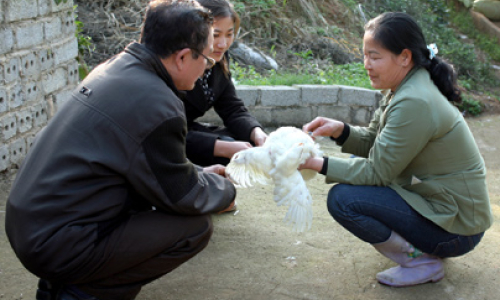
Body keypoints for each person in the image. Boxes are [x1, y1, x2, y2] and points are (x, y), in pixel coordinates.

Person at [5, 1, 236, 300]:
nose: (210, 65)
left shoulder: (116, 68)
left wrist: (201, 174)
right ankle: (79, 293)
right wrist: (226, 189)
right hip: (58, 241)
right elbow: (182, 195)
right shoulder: (158, 103)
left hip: (33, 224)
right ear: (181, 57)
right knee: (193, 228)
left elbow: (149, 167)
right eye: (206, 58)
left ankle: (59, 285)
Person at [300, 12, 492, 287]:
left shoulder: (414, 100)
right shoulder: (405, 85)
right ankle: (423, 250)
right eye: (364, 55)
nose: (366, 64)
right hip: (452, 215)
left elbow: (378, 171)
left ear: (404, 57)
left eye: (375, 56)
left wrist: (315, 163)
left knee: (344, 199)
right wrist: (340, 130)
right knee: (356, 163)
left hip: (458, 229)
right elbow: (373, 145)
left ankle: (419, 260)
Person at [181, 0, 268, 167]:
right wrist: (220, 146)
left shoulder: (220, 61)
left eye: (229, 35)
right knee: (228, 148)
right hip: (167, 137)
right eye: (215, 35)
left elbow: (232, 108)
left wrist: (256, 132)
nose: (222, 44)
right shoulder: (179, 63)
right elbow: (163, 132)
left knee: (247, 142)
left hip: (188, 131)